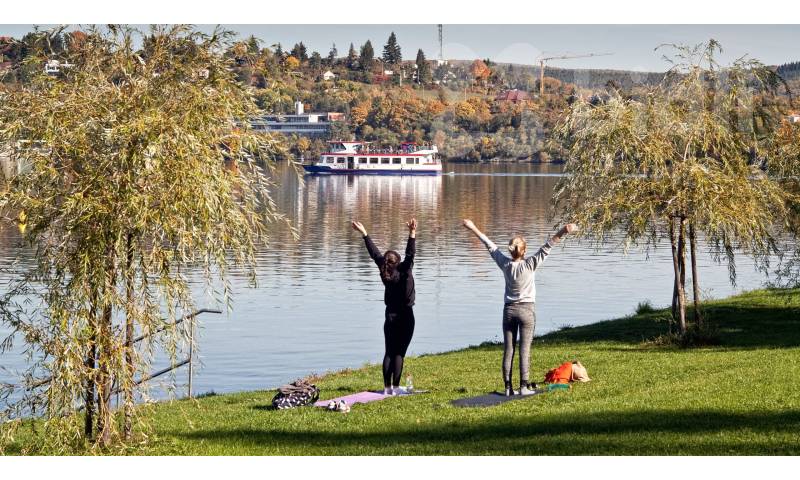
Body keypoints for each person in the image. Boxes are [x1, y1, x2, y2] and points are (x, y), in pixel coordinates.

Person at [462, 219, 578, 396]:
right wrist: (564, 230)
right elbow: (549, 245)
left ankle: (508, 388)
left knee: (509, 350)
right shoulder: (530, 264)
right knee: (525, 349)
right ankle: (523, 386)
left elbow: (489, 244)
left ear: (511, 250)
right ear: (523, 251)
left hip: (509, 311)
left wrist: (473, 227)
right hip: (526, 311)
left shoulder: (505, 264)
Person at [352, 218, 417, 395]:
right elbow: (410, 254)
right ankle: (396, 388)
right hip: (405, 315)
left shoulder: (385, 271)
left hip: (390, 316)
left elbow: (375, 254)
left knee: (389, 351)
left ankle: (387, 388)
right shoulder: (404, 271)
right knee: (399, 353)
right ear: (398, 262)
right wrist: (412, 233)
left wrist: (364, 234)